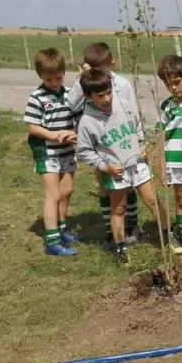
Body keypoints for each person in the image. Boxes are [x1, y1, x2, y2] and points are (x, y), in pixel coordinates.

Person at [75, 69, 170, 260]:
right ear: (88, 96)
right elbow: (84, 151)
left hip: (137, 163)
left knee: (153, 201)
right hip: (116, 172)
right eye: (100, 95)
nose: (106, 98)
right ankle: (119, 247)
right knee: (119, 209)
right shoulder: (87, 122)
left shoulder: (125, 106)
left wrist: (141, 145)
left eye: (109, 92)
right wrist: (104, 167)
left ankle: (169, 236)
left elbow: (136, 126)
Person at [67, 42, 141, 247]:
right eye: (94, 69)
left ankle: (132, 225)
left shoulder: (122, 84)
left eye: (103, 68)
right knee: (105, 186)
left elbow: (131, 111)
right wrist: (82, 79)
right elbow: (72, 104)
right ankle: (112, 230)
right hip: (100, 142)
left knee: (129, 185)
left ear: (111, 64)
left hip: (122, 141)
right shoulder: (87, 83)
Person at [23, 48, 79, 256]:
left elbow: (79, 119)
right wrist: (54, 135)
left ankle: (62, 227)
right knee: (53, 194)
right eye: (49, 79)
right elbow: (32, 127)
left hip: (66, 149)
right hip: (46, 150)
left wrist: (74, 133)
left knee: (67, 190)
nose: (55, 83)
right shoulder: (37, 97)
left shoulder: (70, 94)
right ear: (40, 76)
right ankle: (52, 241)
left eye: (58, 78)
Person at [155, 55, 182, 254]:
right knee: (181, 199)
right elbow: (161, 136)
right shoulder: (167, 106)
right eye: (168, 84)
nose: (173, 88)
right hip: (175, 161)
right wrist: (163, 167)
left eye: (177, 82)